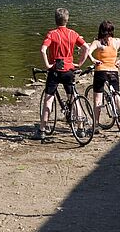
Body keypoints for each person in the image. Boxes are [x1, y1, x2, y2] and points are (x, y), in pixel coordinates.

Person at [36, 7, 87, 141]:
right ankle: (81, 128)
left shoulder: (52, 34)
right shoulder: (73, 34)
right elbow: (85, 47)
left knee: (48, 99)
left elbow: (43, 50)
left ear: (55, 20)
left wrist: (47, 64)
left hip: (55, 70)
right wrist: (80, 63)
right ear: (67, 19)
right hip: (69, 69)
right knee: (74, 97)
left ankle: (42, 130)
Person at [84, 20, 120, 128]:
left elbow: (88, 52)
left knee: (98, 98)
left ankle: (96, 125)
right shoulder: (116, 42)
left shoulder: (97, 42)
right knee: (116, 94)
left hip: (100, 71)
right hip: (113, 71)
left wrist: (93, 60)